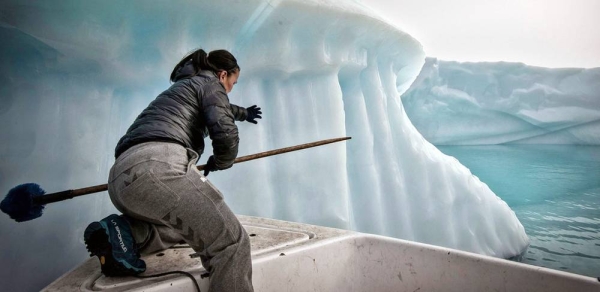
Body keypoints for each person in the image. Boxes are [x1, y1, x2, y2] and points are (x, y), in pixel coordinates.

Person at [83, 48, 261, 292]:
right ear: (222, 75)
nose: (230, 89)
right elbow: (225, 131)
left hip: (122, 177)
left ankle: (127, 234)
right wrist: (219, 162)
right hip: (158, 166)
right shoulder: (210, 84)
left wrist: (244, 113)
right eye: (232, 83)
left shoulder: (184, 88)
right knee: (230, 243)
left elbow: (223, 108)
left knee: (183, 226)